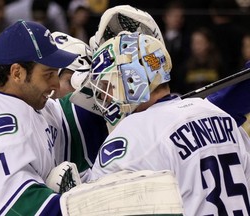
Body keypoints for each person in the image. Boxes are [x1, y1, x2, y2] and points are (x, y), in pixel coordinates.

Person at [87, 31, 250, 215]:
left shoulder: (132, 133)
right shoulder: (222, 117)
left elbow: (99, 208)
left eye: (108, 86)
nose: (103, 96)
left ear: (133, 80)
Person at [0, 20, 78, 215]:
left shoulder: (21, 99)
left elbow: (64, 120)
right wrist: (87, 206)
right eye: (49, 74)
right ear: (17, 73)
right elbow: (19, 209)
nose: (56, 85)